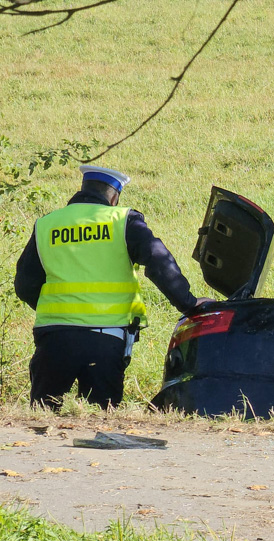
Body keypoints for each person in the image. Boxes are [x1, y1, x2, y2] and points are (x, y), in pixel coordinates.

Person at [14, 165, 210, 410]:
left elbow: (24, 284)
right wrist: (189, 304)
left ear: (83, 189)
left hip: (54, 338)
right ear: (114, 197)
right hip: (105, 339)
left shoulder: (47, 225)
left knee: (43, 414)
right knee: (102, 418)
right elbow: (158, 261)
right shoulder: (123, 221)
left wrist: (58, 310)